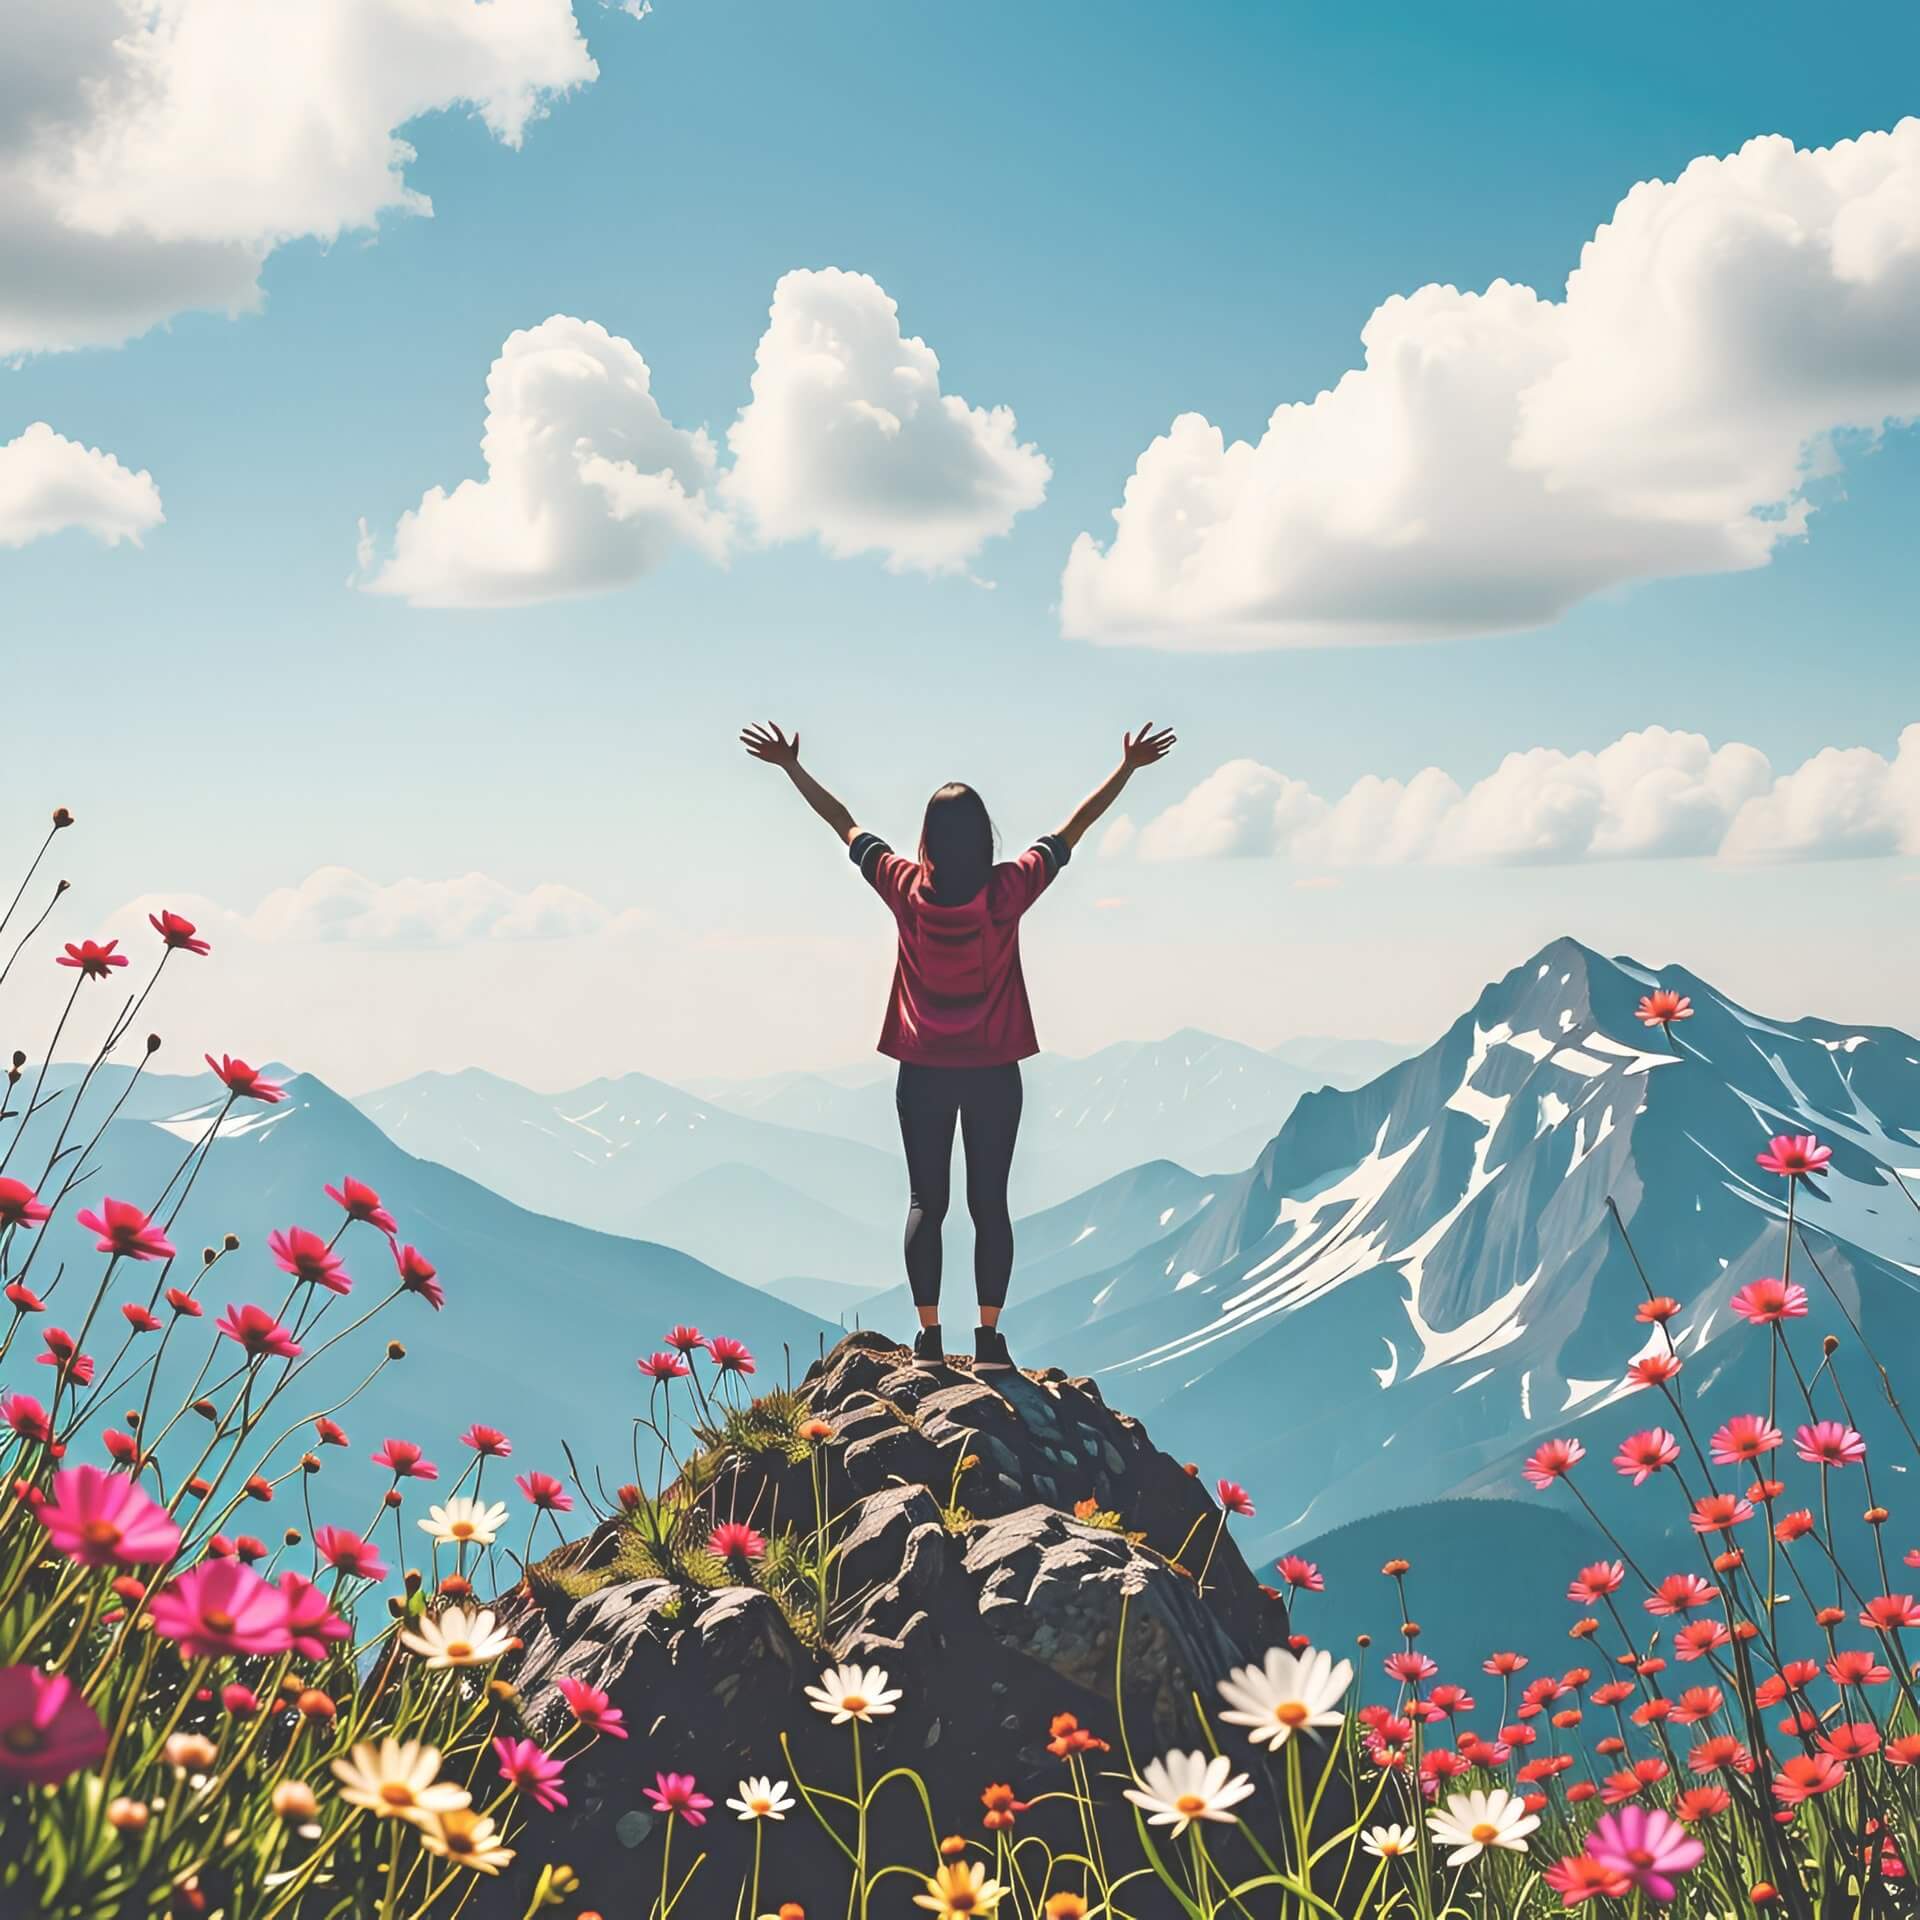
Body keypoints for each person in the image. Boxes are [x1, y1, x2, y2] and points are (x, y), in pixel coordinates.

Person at [740, 721, 1177, 1371]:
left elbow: (845, 825)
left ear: (928, 838)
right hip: (994, 1070)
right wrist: (1128, 769)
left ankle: (929, 1339)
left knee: (927, 1203)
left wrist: (790, 767)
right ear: (982, 838)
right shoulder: (1007, 892)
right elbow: (1071, 831)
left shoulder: (904, 888)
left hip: (923, 1071)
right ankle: (990, 1340)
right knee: (989, 1203)